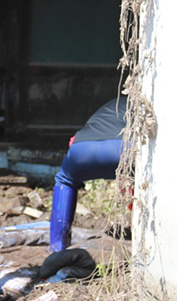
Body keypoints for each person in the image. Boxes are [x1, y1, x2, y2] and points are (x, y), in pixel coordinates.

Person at [49, 95, 127, 252]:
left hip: (82, 147)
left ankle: (57, 247)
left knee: (65, 181)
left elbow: (73, 139)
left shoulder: (112, 103)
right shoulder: (146, 101)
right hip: (119, 148)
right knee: (139, 179)